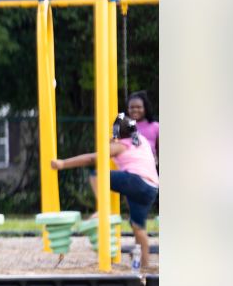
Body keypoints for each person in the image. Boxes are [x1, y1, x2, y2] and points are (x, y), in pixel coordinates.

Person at [51, 113, 160, 272]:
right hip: (151, 188)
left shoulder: (120, 145)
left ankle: (103, 209)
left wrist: (62, 164)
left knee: (97, 174)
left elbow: (92, 159)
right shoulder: (141, 141)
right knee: (138, 227)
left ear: (116, 132)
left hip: (136, 181)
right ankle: (145, 264)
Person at [126, 91, 159, 163]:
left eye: (139, 107)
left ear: (145, 108)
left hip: (150, 167)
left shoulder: (155, 126)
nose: (135, 110)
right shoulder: (124, 126)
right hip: (129, 167)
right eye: (131, 107)